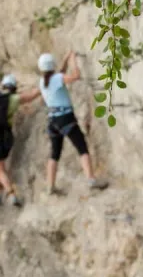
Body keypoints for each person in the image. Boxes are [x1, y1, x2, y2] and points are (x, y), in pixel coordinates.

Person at [31, 51, 108, 194]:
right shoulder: (57, 78)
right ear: (52, 65)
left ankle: (50, 185)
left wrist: (65, 58)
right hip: (65, 117)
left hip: (53, 120)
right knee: (82, 147)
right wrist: (73, 61)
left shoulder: (43, 82)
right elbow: (75, 76)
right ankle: (91, 179)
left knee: (54, 153)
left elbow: (60, 74)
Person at [0, 74, 40, 208]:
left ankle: (11, 194)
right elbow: (31, 96)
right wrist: (43, 85)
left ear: (3, 86)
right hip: (5, 137)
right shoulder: (13, 99)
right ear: (14, 88)